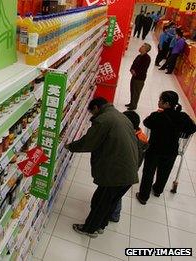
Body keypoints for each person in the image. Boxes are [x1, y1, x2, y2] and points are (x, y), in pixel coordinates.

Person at [65, 98, 139, 237]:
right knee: (110, 202)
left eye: (92, 112)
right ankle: (101, 225)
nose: (92, 115)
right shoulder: (119, 115)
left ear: (97, 108)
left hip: (116, 172)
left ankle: (89, 229)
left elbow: (89, 142)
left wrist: (70, 146)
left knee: (100, 201)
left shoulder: (103, 120)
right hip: (128, 170)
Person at [136, 91, 196, 205]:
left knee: (149, 172)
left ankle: (143, 196)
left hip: (154, 149)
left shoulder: (157, 116)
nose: (158, 102)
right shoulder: (182, 117)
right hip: (171, 151)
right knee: (164, 172)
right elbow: (192, 128)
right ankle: (158, 190)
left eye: (160, 100)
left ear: (167, 103)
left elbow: (146, 122)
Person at [110, 111, 148, 222]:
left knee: (114, 194)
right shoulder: (142, 136)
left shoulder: (129, 138)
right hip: (132, 171)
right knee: (117, 194)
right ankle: (114, 214)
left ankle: (113, 215)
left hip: (122, 171)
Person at [126, 43, 151, 110]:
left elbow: (143, 68)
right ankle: (131, 103)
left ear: (146, 49)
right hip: (134, 76)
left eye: (142, 46)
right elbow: (134, 63)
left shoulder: (147, 58)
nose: (140, 47)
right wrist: (131, 69)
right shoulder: (139, 56)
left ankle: (134, 105)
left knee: (136, 92)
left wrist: (135, 73)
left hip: (140, 78)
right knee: (132, 90)